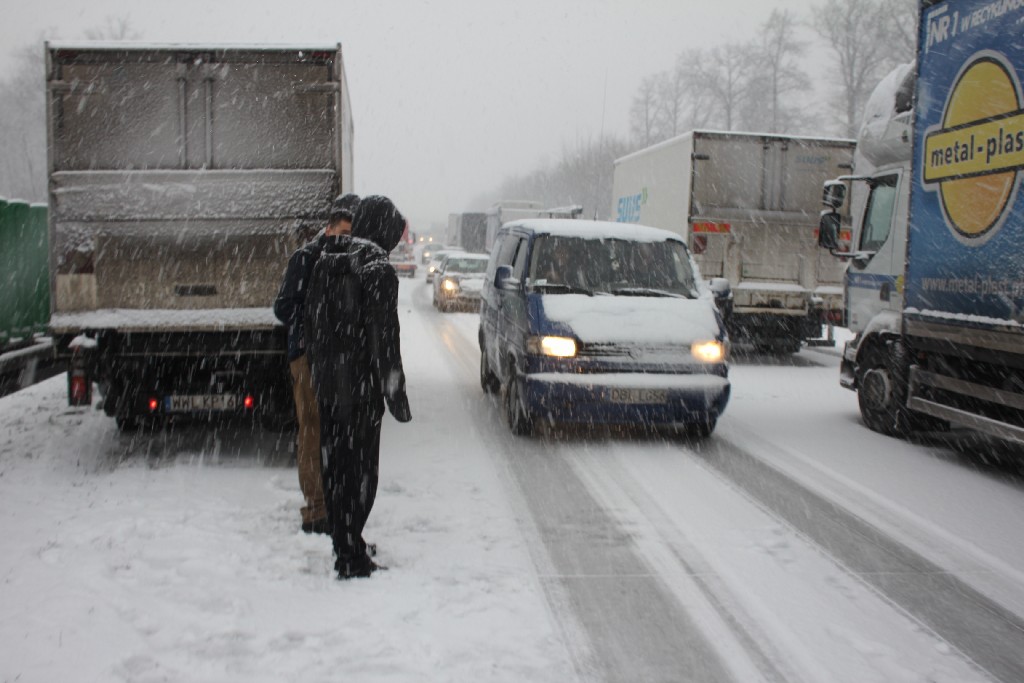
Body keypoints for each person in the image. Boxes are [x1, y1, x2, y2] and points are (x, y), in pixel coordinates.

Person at [304, 195, 412, 579]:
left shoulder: (326, 260)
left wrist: (321, 373)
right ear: (382, 229)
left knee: (336, 468)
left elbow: (311, 325)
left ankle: (346, 540)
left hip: (331, 386)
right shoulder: (377, 269)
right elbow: (384, 338)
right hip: (362, 389)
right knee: (362, 473)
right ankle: (350, 556)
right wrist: (395, 392)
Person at [274, 193, 361, 535]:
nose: (344, 240)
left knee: (341, 433)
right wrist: (315, 320)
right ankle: (316, 511)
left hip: (341, 359)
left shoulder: (353, 258)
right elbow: (283, 307)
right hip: (308, 357)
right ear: (328, 228)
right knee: (313, 432)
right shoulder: (306, 258)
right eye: (340, 232)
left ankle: (337, 502)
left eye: (350, 236)